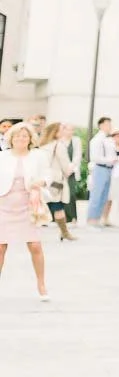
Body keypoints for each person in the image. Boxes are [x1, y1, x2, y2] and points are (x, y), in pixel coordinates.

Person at [0, 121, 52, 301]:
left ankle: (41, 284)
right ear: (11, 138)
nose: (21, 139)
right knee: (0, 247)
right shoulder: (3, 157)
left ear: (30, 139)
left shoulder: (38, 156)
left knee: (35, 245)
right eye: (17, 136)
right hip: (4, 206)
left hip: (29, 205)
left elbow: (48, 175)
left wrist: (41, 182)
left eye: (24, 136)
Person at [36, 124, 76, 241]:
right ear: (56, 132)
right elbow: (66, 166)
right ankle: (64, 232)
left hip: (43, 180)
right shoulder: (59, 145)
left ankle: (32, 234)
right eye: (62, 129)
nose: (64, 131)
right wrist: (71, 167)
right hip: (56, 181)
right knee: (58, 207)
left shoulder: (42, 145)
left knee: (41, 207)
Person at [84, 117, 116, 228]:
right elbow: (95, 157)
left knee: (104, 195)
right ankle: (91, 219)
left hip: (108, 169)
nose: (110, 127)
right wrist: (109, 160)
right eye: (107, 124)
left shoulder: (108, 140)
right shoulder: (97, 140)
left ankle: (97, 218)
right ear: (101, 125)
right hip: (100, 168)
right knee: (96, 194)